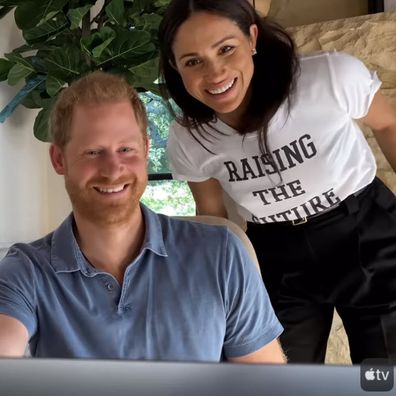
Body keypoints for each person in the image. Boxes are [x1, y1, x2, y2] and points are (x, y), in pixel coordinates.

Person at [158, 0, 396, 364]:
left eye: (226, 48)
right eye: (193, 61)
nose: (216, 72)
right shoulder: (189, 137)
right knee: (280, 378)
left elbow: (388, 123)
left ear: (252, 37)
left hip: (362, 232)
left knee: (383, 374)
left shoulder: (329, 77)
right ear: (176, 67)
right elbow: (212, 214)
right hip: (276, 255)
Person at [0, 71, 285, 363]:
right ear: (59, 160)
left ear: (147, 150)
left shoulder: (221, 254)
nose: (113, 169)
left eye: (126, 149)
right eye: (93, 152)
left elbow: (266, 382)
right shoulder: (25, 271)